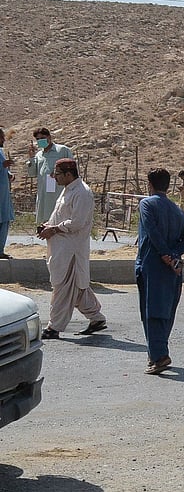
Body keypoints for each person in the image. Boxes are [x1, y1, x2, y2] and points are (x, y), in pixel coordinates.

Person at [36, 159, 106, 339]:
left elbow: (77, 222)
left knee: (63, 287)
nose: (54, 177)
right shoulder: (67, 190)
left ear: (68, 174)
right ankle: (96, 318)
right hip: (60, 248)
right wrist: (47, 226)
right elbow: (61, 215)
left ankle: (54, 327)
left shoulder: (82, 193)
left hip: (71, 250)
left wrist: (55, 229)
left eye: (57, 174)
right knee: (76, 286)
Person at [136, 168, 184, 374]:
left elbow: (152, 231)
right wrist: (175, 254)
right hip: (173, 267)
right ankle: (157, 353)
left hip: (152, 264)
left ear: (149, 184)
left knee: (152, 311)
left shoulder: (146, 204)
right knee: (166, 311)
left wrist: (165, 255)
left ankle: (159, 355)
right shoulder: (177, 210)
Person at [24, 127, 74, 225]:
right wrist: (31, 158)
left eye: (42, 138)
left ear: (49, 137)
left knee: (59, 220)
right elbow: (32, 173)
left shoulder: (62, 150)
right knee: (46, 223)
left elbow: (72, 169)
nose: (40, 141)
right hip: (44, 195)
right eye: (38, 139)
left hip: (59, 192)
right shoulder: (39, 155)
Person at [0, 129, 13, 259]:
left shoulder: (0, 152)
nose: (3, 140)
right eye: (1, 138)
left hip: (3, 195)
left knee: (4, 220)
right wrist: (2, 165)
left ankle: (0, 250)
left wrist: (9, 174)